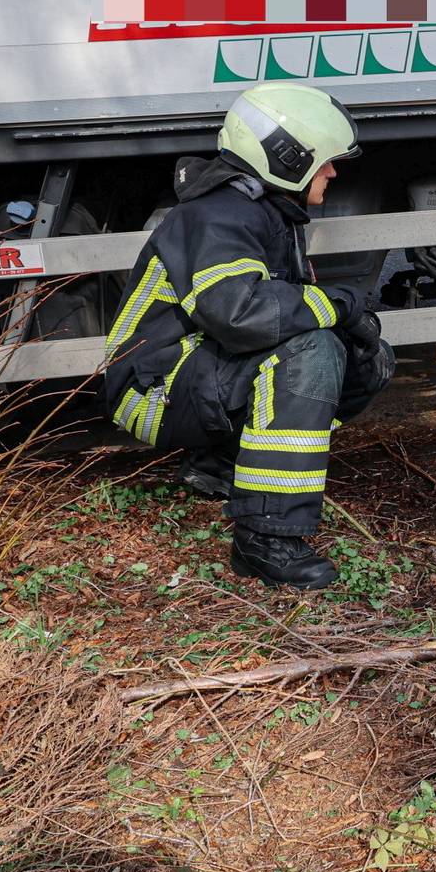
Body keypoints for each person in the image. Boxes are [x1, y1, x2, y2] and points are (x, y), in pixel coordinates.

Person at [101, 84, 394, 591]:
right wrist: (343, 307)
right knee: (313, 351)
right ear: (287, 157)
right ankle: (265, 539)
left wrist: (346, 325)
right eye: (324, 161)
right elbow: (241, 316)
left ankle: (217, 464)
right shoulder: (219, 216)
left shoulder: (260, 211)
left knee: (360, 358)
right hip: (149, 392)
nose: (333, 172)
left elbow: (267, 316)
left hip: (180, 376)